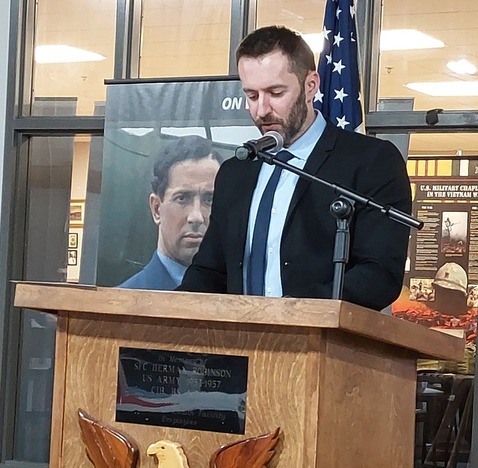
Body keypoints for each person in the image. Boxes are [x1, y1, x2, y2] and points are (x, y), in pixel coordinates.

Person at [178, 26, 411, 311]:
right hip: (239, 336)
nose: (262, 110)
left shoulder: (370, 161)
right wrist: (168, 310)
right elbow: (210, 270)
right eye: (252, 96)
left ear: (310, 85)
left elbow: (379, 274)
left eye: (275, 93)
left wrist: (296, 311)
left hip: (319, 335)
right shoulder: (236, 171)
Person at [119, 135, 221, 290]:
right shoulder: (122, 300)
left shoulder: (242, 294)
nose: (196, 217)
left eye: (210, 200)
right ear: (156, 209)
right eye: (182, 198)